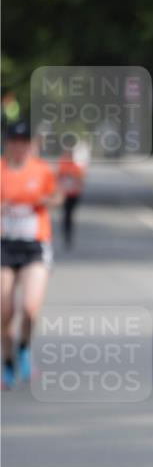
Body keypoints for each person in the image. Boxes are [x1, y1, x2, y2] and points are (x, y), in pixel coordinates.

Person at [1, 121, 60, 388]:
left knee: (30, 308)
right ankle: (7, 360)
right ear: (8, 144)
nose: (19, 147)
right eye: (15, 142)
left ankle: (24, 346)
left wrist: (45, 201)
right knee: (4, 310)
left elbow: (57, 196)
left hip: (35, 245)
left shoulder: (41, 170)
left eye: (24, 143)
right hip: (5, 245)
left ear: (30, 145)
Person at [56, 145, 85, 248]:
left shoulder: (76, 167)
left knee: (70, 215)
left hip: (73, 195)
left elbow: (80, 180)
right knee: (65, 215)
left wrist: (79, 190)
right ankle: (65, 232)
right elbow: (58, 178)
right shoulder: (62, 165)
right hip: (64, 195)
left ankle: (68, 234)